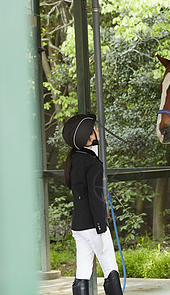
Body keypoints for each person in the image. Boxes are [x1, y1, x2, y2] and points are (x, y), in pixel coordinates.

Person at [62, 113, 122, 295]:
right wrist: (101, 227)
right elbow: (95, 197)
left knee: (82, 273)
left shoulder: (74, 160)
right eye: (94, 129)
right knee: (111, 270)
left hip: (78, 226)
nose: (97, 130)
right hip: (93, 226)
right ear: (89, 137)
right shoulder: (92, 163)